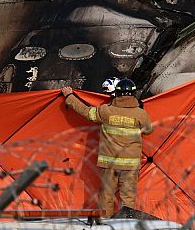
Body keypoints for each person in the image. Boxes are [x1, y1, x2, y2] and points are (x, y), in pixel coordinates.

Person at [64, 77, 154, 219]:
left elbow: (86, 112)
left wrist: (69, 97)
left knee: (106, 196)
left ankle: (106, 225)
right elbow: (148, 130)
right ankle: (126, 227)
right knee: (128, 198)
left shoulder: (106, 111)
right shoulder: (141, 114)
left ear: (117, 94)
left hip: (109, 164)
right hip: (130, 165)